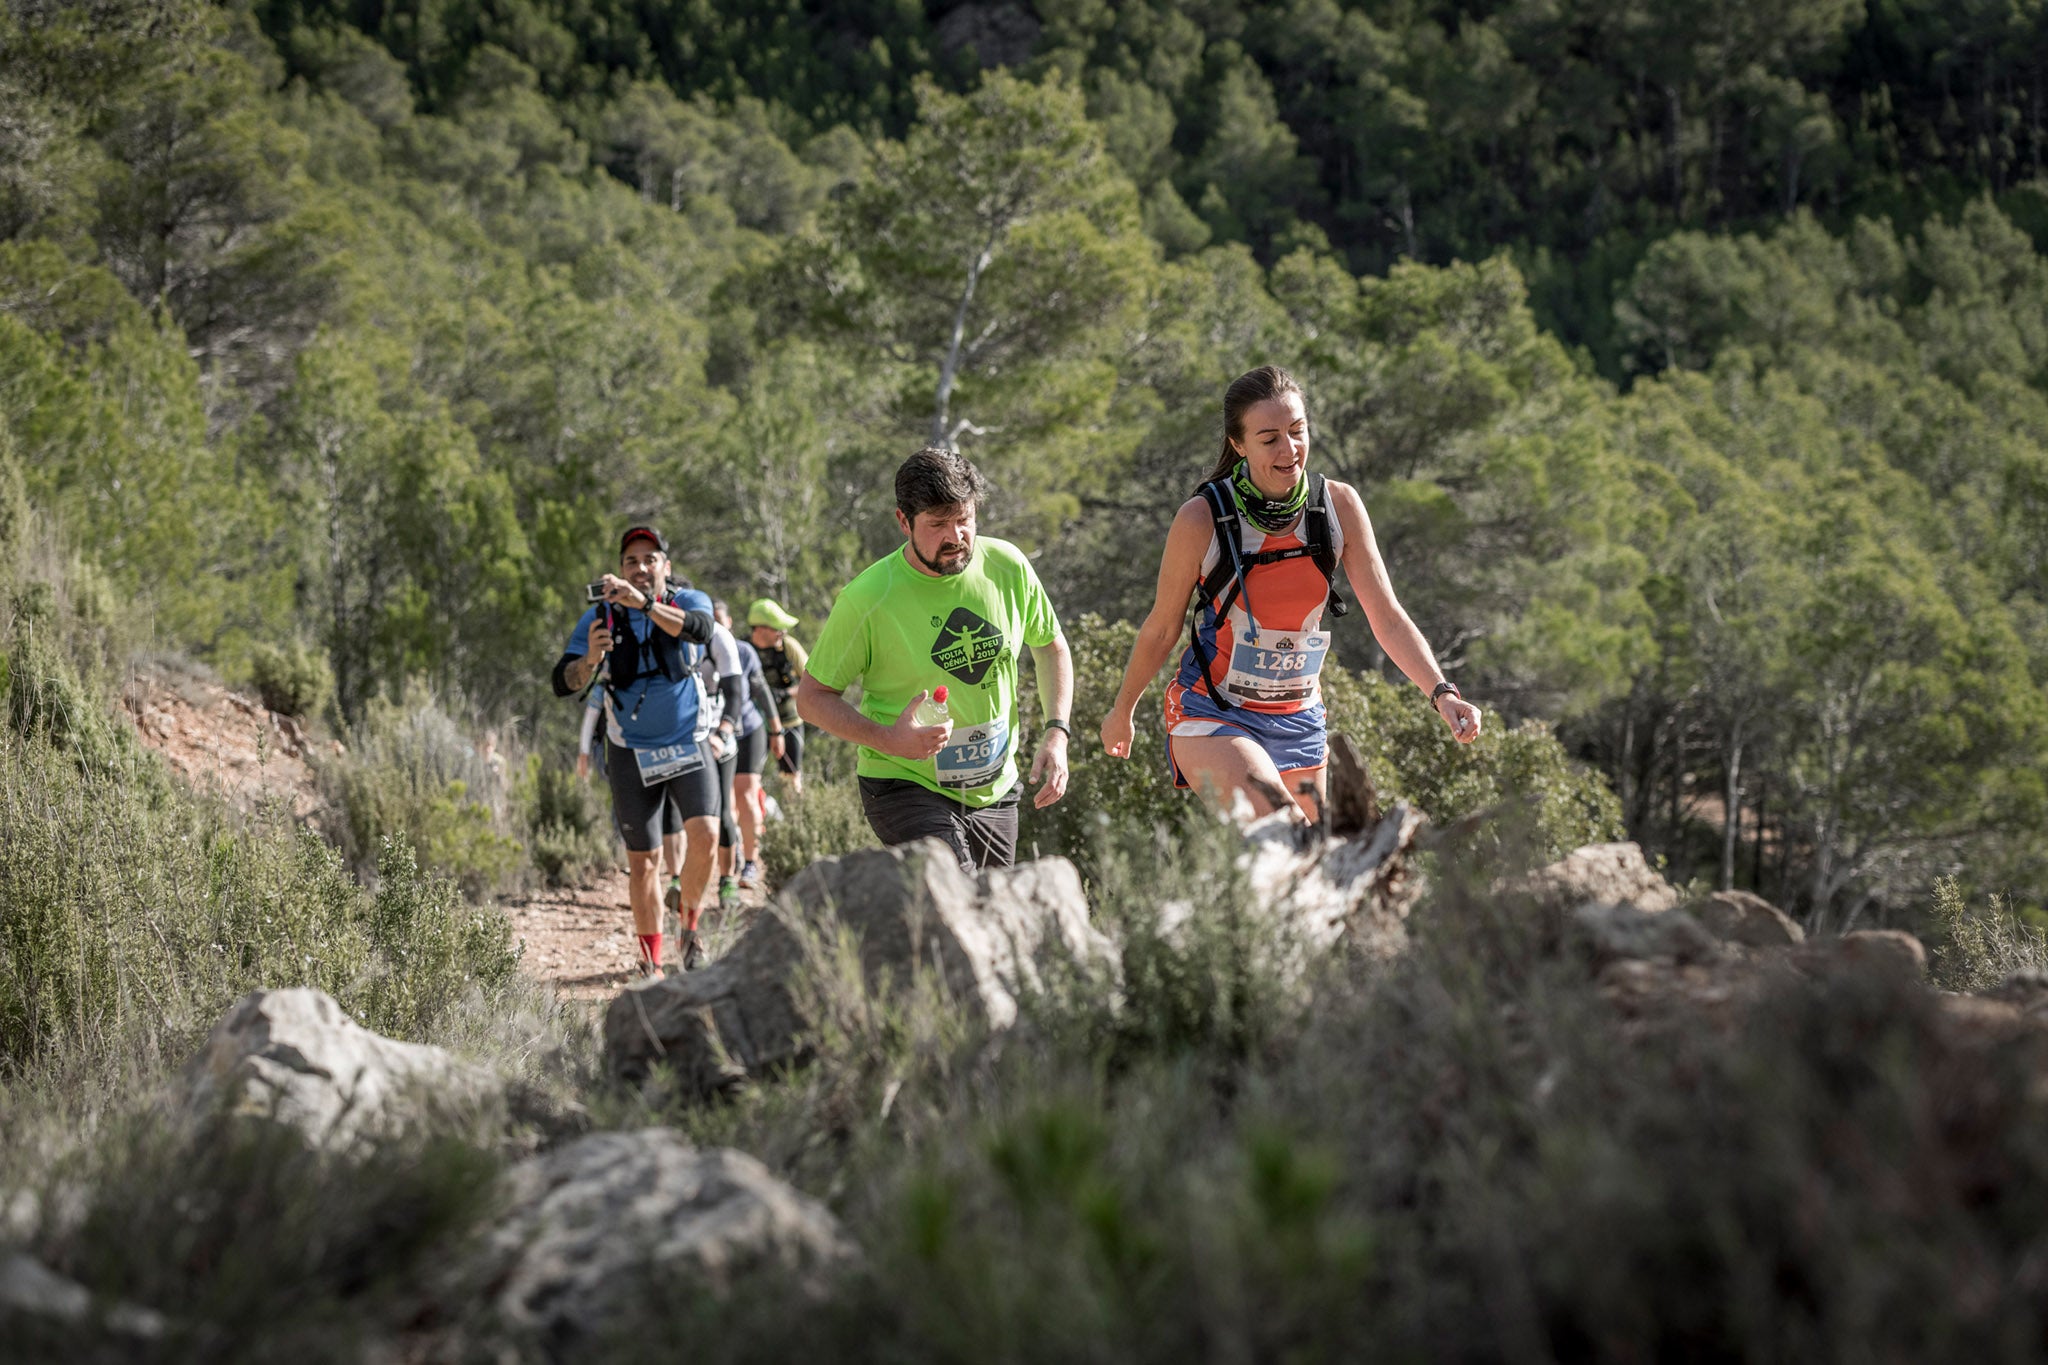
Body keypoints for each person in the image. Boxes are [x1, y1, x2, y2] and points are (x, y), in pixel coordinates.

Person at [1099, 365, 1482, 822]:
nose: (1290, 449)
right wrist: (1123, 709)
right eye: (1270, 439)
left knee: (1305, 875)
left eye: (1298, 431)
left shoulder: (1337, 506)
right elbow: (1162, 628)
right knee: (1288, 835)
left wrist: (1443, 693)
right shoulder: (1201, 518)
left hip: (1300, 719)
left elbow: (1388, 616)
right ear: (1238, 445)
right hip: (1215, 712)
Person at [798, 446, 1073, 870]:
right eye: (938, 524)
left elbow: (1051, 646)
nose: (955, 537)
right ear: (903, 521)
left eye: (964, 520)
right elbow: (812, 698)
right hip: (905, 782)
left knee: (993, 918)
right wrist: (890, 739)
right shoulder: (867, 598)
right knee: (959, 897)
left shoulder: (1008, 567)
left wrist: (1057, 733)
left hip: (994, 789)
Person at [551, 526, 718, 975]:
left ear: (666, 565)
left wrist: (643, 603)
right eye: (631, 561)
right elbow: (561, 682)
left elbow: (702, 631)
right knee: (644, 863)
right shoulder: (601, 616)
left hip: (687, 739)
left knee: (706, 836)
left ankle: (690, 927)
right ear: (620, 569)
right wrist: (588, 660)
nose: (640, 567)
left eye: (650, 559)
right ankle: (650, 963)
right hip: (630, 749)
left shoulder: (688, 600)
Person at [715, 600, 784, 888]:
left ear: (730, 621)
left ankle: (751, 863)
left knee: (745, 793)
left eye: (720, 619)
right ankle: (730, 861)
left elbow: (761, 689)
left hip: (749, 730)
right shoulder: (697, 651)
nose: (716, 625)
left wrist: (776, 729)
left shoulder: (743, 652)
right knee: (724, 800)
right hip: (716, 735)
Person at [748, 598, 808, 795]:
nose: (783, 632)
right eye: (777, 628)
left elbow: (812, 684)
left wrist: (784, 694)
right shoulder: (745, 649)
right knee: (749, 778)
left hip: (789, 722)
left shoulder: (789, 647)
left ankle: (794, 822)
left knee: (791, 779)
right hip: (756, 724)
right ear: (761, 629)